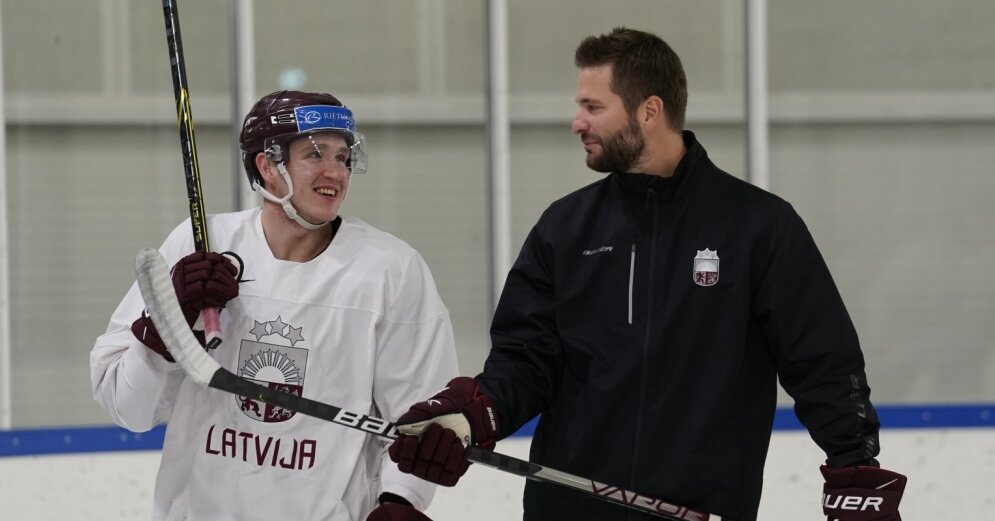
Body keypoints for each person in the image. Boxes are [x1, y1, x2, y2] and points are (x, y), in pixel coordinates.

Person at [386, 28, 907, 521]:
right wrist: (471, 416)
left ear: (649, 111)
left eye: (593, 106)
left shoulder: (757, 226)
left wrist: (853, 465)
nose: (577, 122)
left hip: (700, 510)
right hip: (568, 511)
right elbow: (525, 362)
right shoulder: (565, 228)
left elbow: (822, 359)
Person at [91, 90, 457, 521]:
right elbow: (127, 408)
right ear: (267, 166)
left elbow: (421, 414)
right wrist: (166, 326)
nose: (333, 172)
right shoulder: (199, 245)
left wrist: (400, 501)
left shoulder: (391, 270)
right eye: (314, 154)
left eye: (342, 157)